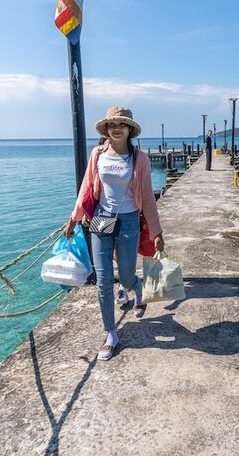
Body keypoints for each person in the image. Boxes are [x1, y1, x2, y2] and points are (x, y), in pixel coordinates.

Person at [63, 106, 164, 361]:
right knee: (104, 280)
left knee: (127, 276)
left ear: (129, 129)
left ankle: (137, 287)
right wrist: (74, 218)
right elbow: (87, 187)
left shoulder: (139, 159)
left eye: (121, 125)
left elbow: (149, 200)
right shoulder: (97, 154)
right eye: (111, 125)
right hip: (100, 220)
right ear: (106, 130)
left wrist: (156, 231)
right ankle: (111, 334)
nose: (116, 128)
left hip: (129, 221)